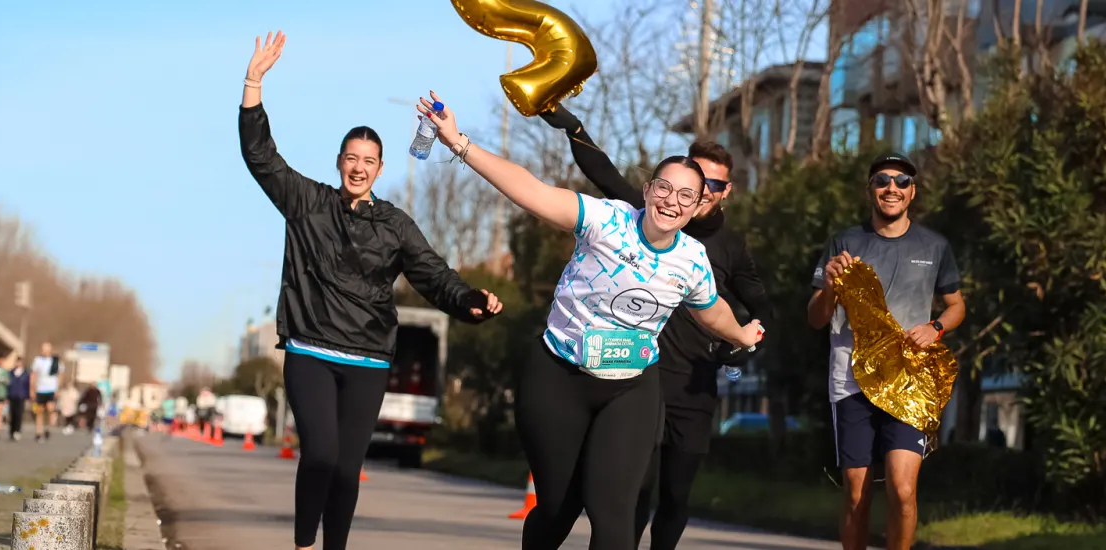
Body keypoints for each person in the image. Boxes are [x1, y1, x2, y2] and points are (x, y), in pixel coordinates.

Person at [416, 91, 763, 550]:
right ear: (647, 190)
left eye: (686, 195)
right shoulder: (605, 219)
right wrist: (458, 142)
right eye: (663, 188)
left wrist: (741, 333)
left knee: (613, 510)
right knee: (558, 508)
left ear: (699, 204)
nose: (672, 202)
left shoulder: (693, 259)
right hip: (559, 376)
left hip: (631, 387)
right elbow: (531, 190)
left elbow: (712, 309)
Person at [240, 32, 504, 550]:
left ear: (380, 169)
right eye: (351, 158)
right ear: (339, 161)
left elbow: (433, 274)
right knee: (320, 454)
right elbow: (260, 155)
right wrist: (254, 82)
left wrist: (469, 300)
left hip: (368, 358)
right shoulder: (307, 202)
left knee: (346, 467)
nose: (358, 167)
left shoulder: (395, 224)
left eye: (369, 160)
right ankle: (303, 544)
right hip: (311, 350)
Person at [540, 106, 775, 549]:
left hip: (693, 386)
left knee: (675, 495)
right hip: (639, 376)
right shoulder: (647, 214)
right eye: (692, 180)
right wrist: (574, 126)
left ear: (723, 192)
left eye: (712, 185)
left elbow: (762, 309)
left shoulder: (730, 247)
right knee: (629, 495)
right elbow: (602, 171)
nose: (695, 193)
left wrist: (740, 346)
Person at [807, 153, 966, 550]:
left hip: (908, 379)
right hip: (851, 378)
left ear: (913, 192)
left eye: (901, 181)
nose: (891, 187)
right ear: (870, 190)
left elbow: (956, 306)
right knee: (856, 493)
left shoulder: (935, 245)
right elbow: (815, 318)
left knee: (902, 488)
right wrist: (831, 287)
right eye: (882, 180)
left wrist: (935, 328)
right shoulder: (845, 242)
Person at [30, 342, 64, 442]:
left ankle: (48, 428)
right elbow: (33, 375)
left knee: (50, 409)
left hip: (51, 389)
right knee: (39, 412)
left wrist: (58, 389)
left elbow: (60, 375)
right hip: (40, 389)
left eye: (47, 349)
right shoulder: (37, 360)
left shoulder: (56, 361)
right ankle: (38, 431)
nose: (45, 351)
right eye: (43, 349)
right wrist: (32, 389)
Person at [7, 354, 31, 441]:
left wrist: (28, 396)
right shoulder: (11, 372)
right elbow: (8, 385)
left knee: (19, 414)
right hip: (12, 395)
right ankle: (11, 431)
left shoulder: (26, 373)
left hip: (21, 396)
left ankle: (17, 430)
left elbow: (28, 385)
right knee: (12, 414)